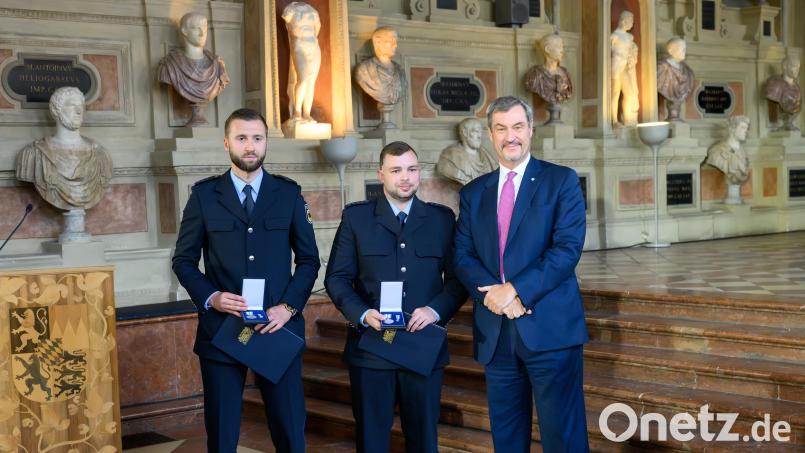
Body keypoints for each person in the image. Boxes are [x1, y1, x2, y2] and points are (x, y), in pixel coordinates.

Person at [172, 108, 319, 453]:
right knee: (222, 436)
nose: (250, 146)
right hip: (223, 330)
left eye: (257, 138)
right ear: (227, 143)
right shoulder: (205, 196)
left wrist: (288, 307)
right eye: (241, 138)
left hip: (277, 328)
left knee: (290, 431)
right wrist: (213, 298)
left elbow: (310, 260)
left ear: (266, 142)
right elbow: (183, 261)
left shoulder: (288, 194)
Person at [453, 96, 589, 452]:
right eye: (501, 128)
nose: (509, 136)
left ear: (530, 129)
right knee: (508, 439)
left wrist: (514, 291)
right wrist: (494, 297)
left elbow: (566, 250)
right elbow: (463, 256)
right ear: (490, 134)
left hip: (549, 330)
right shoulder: (473, 193)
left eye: (517, 127)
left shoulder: (560, 181)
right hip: (496, 335)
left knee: (564, 439)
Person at [324, 141, 467, 453]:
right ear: (381, 174)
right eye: (396, 170)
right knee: (372, 440)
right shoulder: (357, 219)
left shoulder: (441, 220)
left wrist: (434, 310)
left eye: (412, 169)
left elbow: (457, 281)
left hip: (422, 345)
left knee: (424, 440)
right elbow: (336, 278)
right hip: (372, 347)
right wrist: (361, 313)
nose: (405, 177)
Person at [16, 86, 112, 211]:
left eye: (81, 106)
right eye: (72, 105)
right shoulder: (34, 154)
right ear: (56, 110)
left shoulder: (100, 154)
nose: (79, 111)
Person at [158, 12, 230, 126]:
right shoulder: (170, 65)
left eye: (204, 28)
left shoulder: (218, 65)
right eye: (196, 28)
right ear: (184, 31)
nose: (202, 33)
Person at [282, 2, 322, 124]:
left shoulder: (313, 11)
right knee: (303, 79)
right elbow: (288, 22)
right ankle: (297, 112)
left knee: (311, 82)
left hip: (314, 45)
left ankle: (306, 113)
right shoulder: (290, 9)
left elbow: (317, 28)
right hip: (299, 44)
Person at [437, 117, 498, 186]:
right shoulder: (450, 157)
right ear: (465, 133)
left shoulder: (487, 158)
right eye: (476, 131)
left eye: (481, 132)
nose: (479, 136)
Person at [354, 26, 406, 106]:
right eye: (391, 41)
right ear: (378, 42)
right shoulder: (364, 70)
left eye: (395, 41)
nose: (395, 45)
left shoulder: (400, 70)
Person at [524, 33, 573, 107]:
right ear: (548, 49)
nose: (562, 51)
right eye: (559, 46)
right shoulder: (535, 74)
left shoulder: (565, 72)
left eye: (562, 47)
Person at [610, 10, 639, 127]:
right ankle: (614, 120)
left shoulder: (630, 37)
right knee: (615, 93)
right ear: (624, 21)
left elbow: (631, 51)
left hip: (627, 67)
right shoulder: (614, 36)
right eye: (631, 21)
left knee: (629, 93)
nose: (632, 23)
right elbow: (607, 53)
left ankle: (628, 119)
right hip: (616, 66)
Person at [704, 115, 751, 185]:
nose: (746, 131)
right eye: (742, 127)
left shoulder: (743, 153)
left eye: (746, 128)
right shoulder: (716, 152)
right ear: (732, 129)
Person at [656, 37, 695, 121]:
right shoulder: (662, 68)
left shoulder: (688, 71)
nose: (684, 51)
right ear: (671, 51)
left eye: (685, 49)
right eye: (682, 49)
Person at [764, 55, 801, 131]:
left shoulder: (798, 88)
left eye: (798, 67)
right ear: (785, 66)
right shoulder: (774, 84)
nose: (797, 70)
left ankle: (789, 123)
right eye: (794, 66)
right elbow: (771, 96)